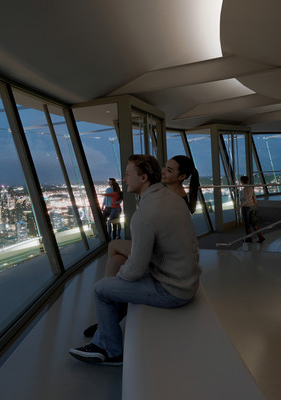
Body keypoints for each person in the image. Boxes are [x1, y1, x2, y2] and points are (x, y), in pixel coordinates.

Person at [69, 154, 201, 366]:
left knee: (101, 289)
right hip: (187, 280)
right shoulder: (172, 199)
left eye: (129, 174)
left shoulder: (145, 214)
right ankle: (105, 330)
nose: (124, 179)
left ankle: (110, 352)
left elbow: (135, 270)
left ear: (144, 178)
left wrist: (117, 282)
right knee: (115, 274)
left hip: (173, 290)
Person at [239, 175, 265, 243]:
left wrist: (239, 206)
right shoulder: (251, 188)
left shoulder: (244, 189)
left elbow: (247, 200)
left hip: (246, 208)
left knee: (247, 224)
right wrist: (255, 206)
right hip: (252, 206)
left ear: (242, 181)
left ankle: (249, 238)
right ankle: (260, 236)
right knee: (253, 223)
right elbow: (254, 198)